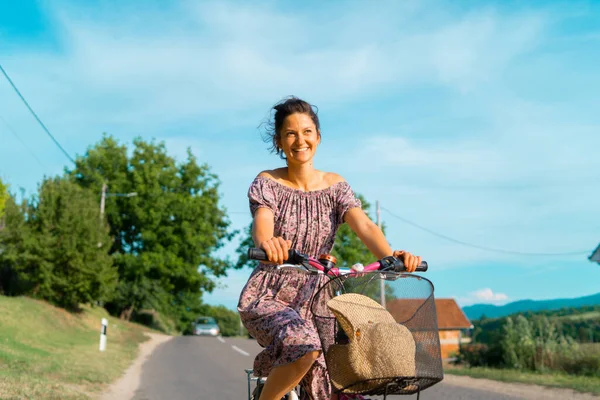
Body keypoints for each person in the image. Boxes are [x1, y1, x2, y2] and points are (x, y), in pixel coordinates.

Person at [237, 97, 422, 400]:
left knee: (337, 382)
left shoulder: (335, 186)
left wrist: (390, 257)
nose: (300, 140)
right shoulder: (267, 182)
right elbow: (263, 219)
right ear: (279, 141)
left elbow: (364, 226)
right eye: (291, 133)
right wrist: (268, 243)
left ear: (318, 137)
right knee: (304, 346)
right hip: (272, 291)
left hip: (320, 297)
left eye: (307, 132)